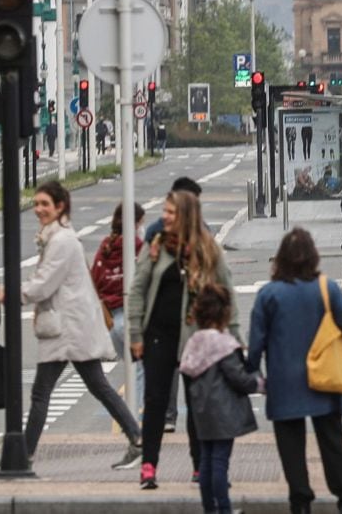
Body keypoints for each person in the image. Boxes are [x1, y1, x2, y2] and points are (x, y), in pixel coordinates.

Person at [0, 181, 142, 470]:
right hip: (71, 326)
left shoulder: (61, 241)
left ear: (61, 207)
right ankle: (136, 438)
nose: (39, 210)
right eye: (36, 204)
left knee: (41, 393)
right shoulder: (56, 238)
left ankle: (24, 454)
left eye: (45, 204)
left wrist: (8, 294)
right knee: (97, 386)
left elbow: (43, 285)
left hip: (67, 329)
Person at [128, 189, 240, 489]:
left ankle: (199, 465)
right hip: (157, 338)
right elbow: (137, 291)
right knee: (155, 401)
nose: (164, 217)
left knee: (197, 402)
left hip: (196, 340)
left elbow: (227, 294)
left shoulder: (208, 251)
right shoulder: (156, 248)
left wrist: (236, 339)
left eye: (171, 213)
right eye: (164, 212)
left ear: (187, 216)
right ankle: (148, 466)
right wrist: (135, 334)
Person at [248, 229, 342, 514]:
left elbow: (254, 347)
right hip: (324, 378)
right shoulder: (326, 288)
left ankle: (300, 501)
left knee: (291, 447)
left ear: (281, 260)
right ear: (313, 257)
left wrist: (251, 374)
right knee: (332, 442)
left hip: (284, 383)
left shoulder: (268, 294)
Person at [183, 283, 263, 514]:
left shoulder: (194, 341)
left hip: (201, 412)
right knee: (220, 463)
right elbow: (238, 377)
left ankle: (210, 508)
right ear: (224, 312)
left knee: (206, 461)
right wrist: (260, 384)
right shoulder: (223, 344)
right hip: (223, 413)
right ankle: (224, 509)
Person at [143, 176, 204, 432]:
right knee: (166, 375)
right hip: (162, 322)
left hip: (192, 321)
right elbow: (141, 281)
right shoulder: (156, 235)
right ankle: (167, 418)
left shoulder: (202, 235)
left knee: (189, 379)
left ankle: (179, 421)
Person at [90, 201, 146, 399]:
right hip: (129, 317)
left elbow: (94, 279)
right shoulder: (136, 247)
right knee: (141, 369)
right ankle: (135, 411)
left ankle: (131, 406)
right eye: (140, 223)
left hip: (110, 321)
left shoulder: (106, 245)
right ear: (135, 224)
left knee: (132, 367)